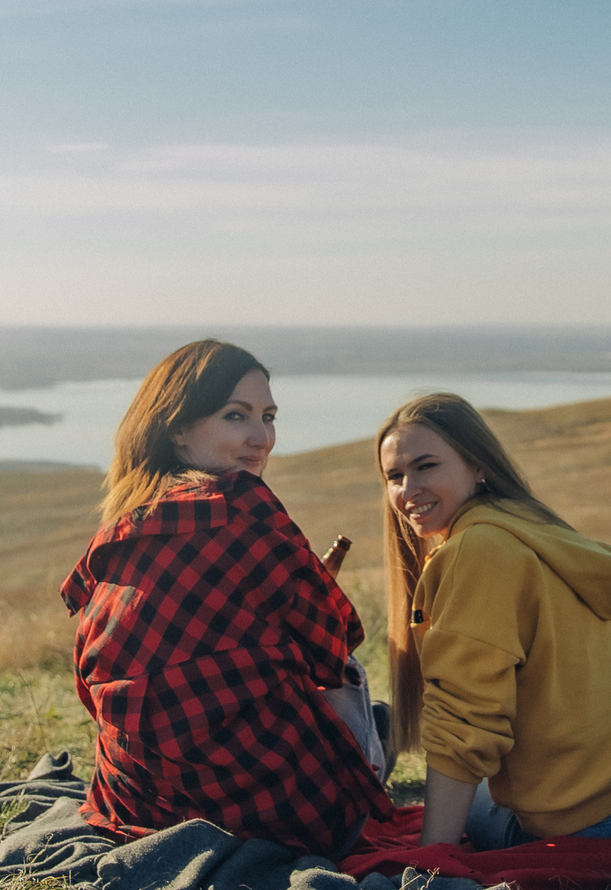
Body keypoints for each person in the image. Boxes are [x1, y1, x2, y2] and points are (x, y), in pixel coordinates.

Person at [61, 340, 393, 858]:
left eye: (268, 416)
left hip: (136, 809)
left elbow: (92, 682)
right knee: (349, 669)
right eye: (236, 416)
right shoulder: (240, 502)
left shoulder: (123, 528)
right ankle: (369, 757)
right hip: (282, 823)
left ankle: (371, 741)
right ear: (176, 425)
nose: (261, 438)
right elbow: (333, 644)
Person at [376, 393, 611, 854]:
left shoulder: (478, 551)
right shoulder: (520, 521)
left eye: (426, 466)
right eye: (394, 476)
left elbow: (465, 722)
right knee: (483, 797)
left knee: (473, 812)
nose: (408, 491)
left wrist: (430, 861)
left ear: (477, 466)